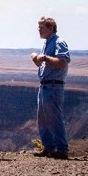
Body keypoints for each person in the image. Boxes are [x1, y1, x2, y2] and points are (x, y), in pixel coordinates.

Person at [30, 16, 71, 159]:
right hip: (45, 85)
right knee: (42, 119)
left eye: (41, 27)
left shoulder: (59, 42)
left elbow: (62, 62)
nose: (39, 30)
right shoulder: (47, 43)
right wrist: (36, 58)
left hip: (54, 86)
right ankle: (49, 147)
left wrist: (45, 58)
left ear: (50, 28)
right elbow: (40, 64)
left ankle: (61, 149)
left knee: (54, 118)